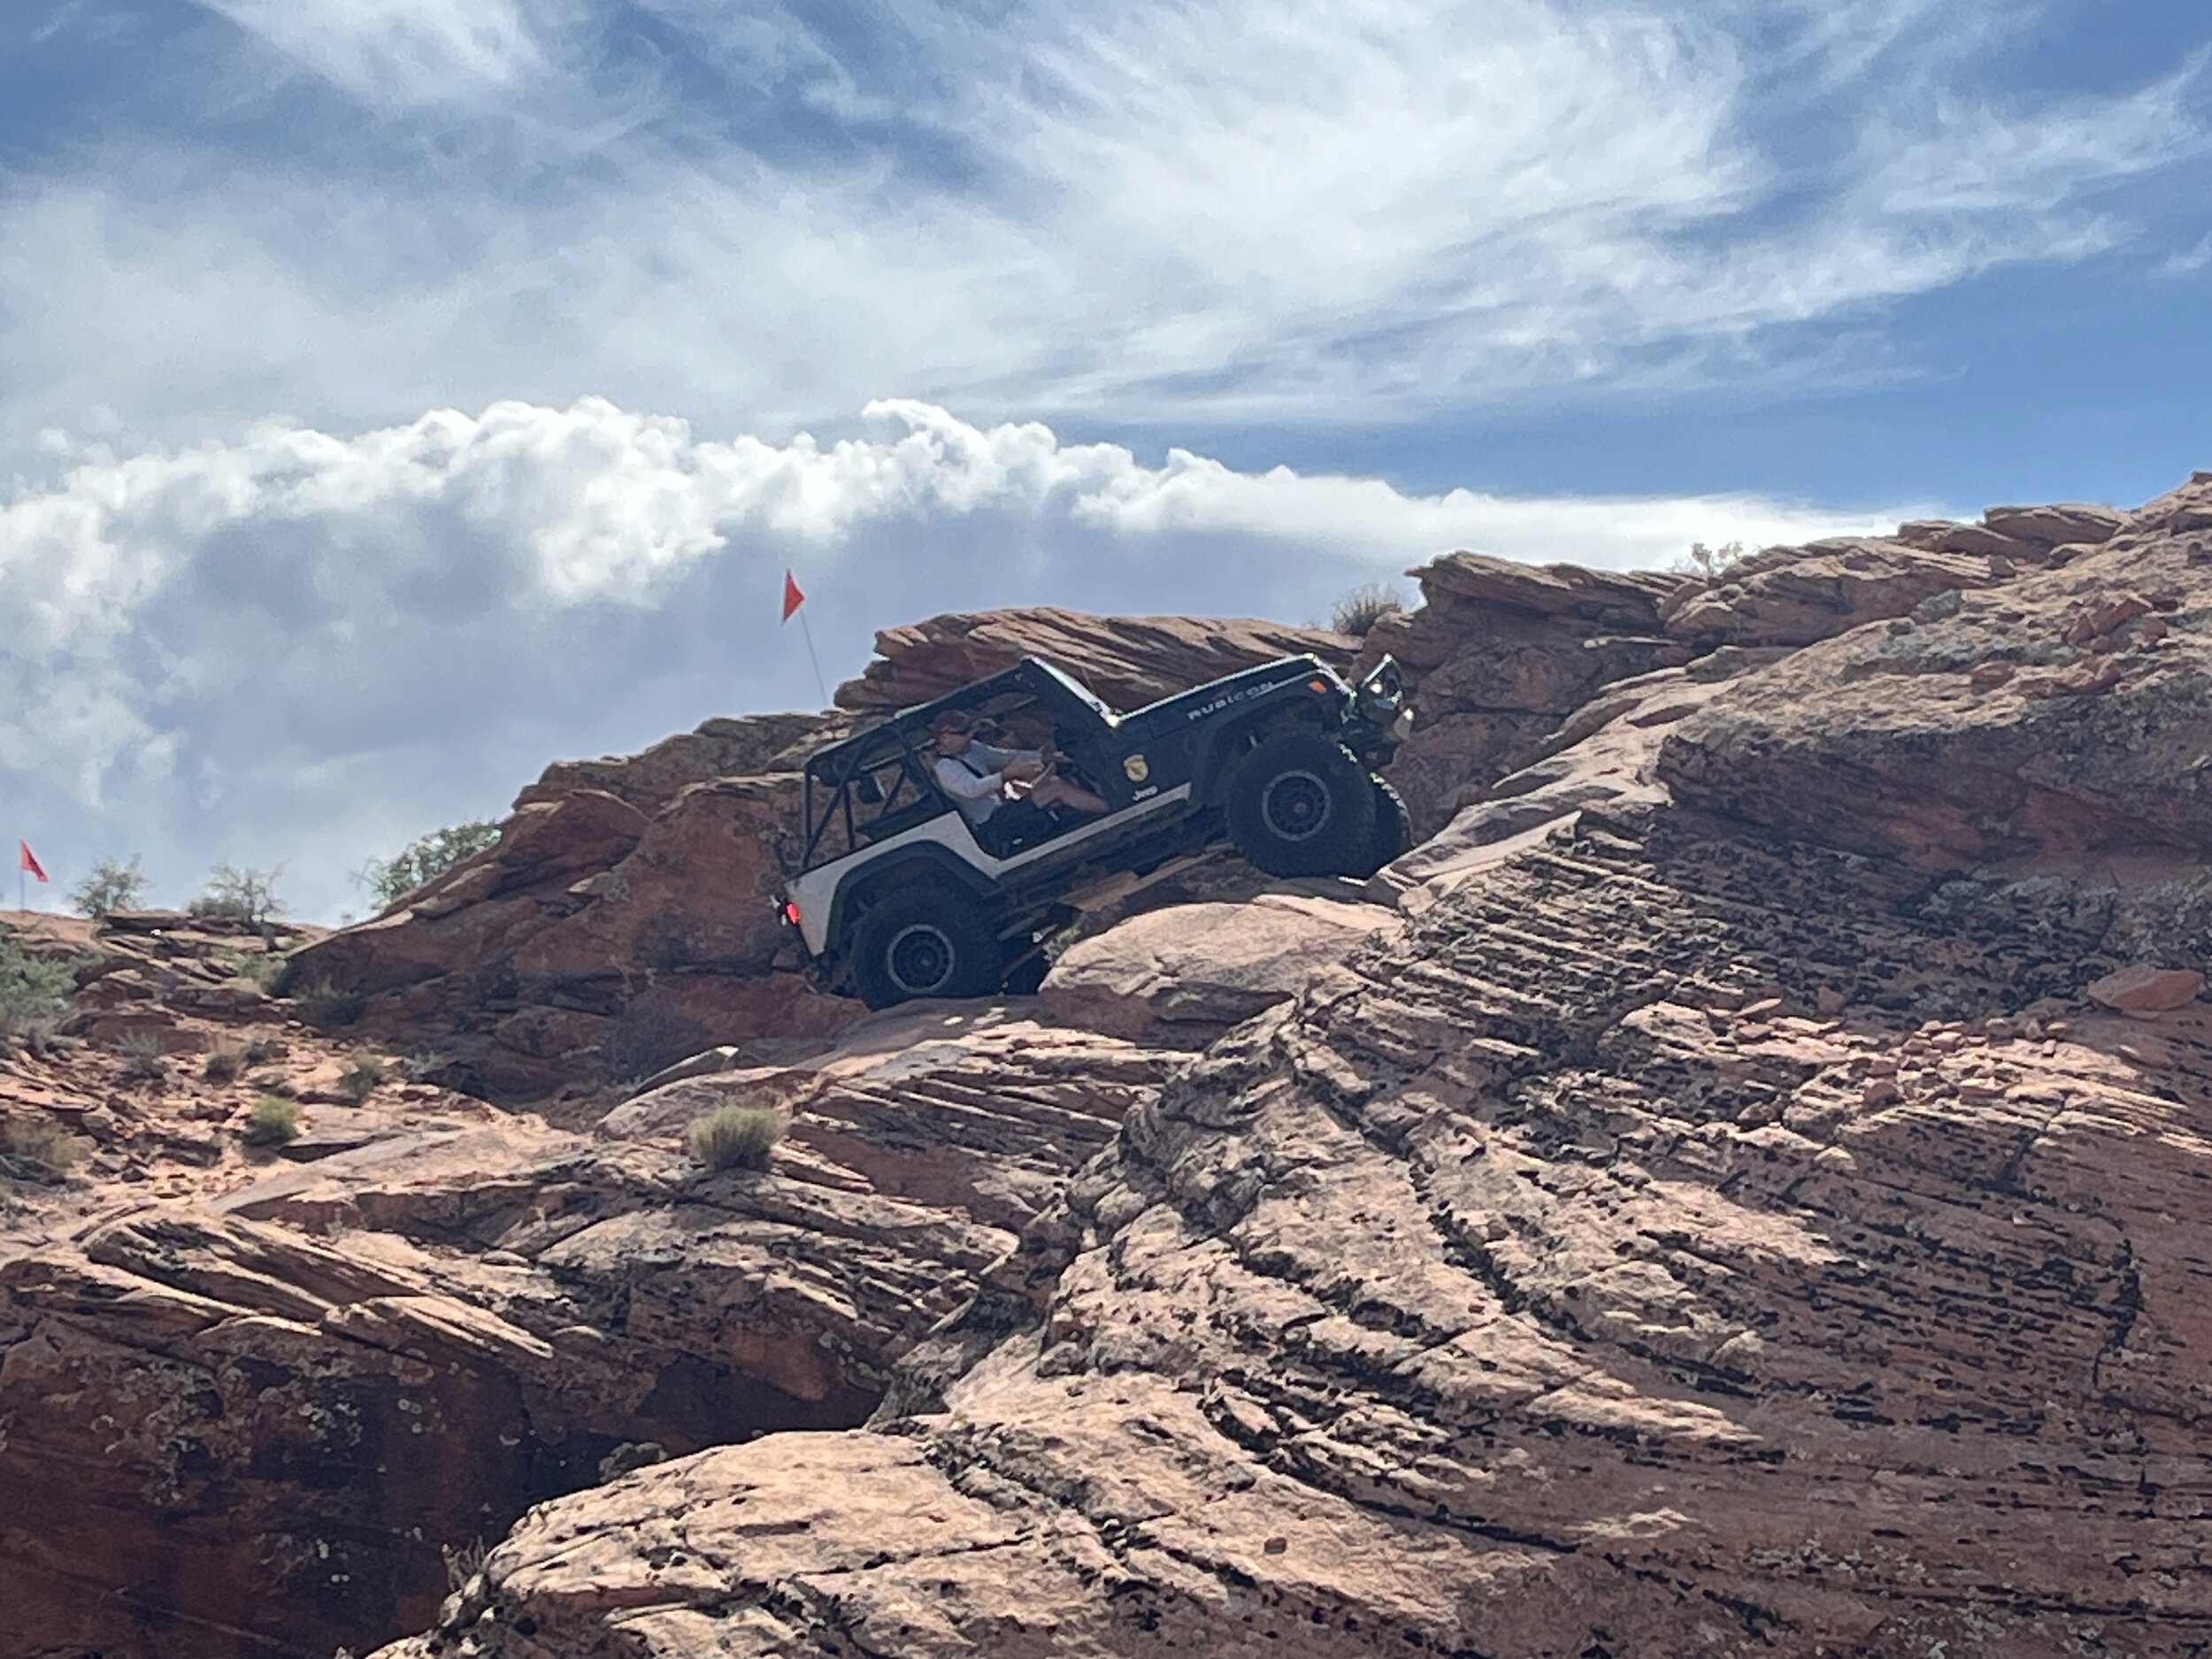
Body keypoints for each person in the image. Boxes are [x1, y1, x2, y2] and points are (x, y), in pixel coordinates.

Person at [929, 710, 1106, 852]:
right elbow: (972, 789)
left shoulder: (973, 749)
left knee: (1050, 780)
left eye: (970, 730)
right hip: (993, 823)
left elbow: (1005, 756)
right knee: (1056, 787)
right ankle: (1109, 811)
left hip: (1005, 809)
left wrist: (1044, 757)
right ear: (945, 738)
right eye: (963, 733)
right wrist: (1005, 775)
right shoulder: (944, 768)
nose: (970, 736)